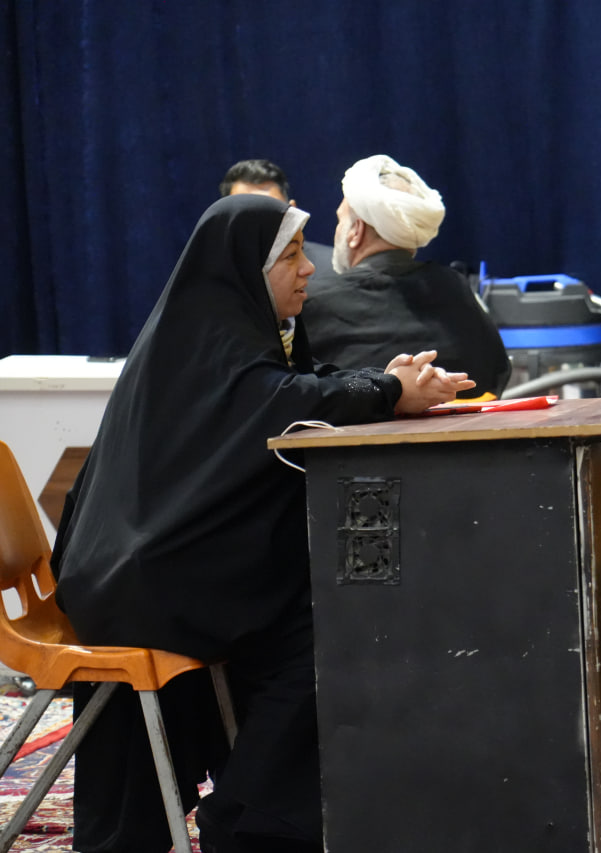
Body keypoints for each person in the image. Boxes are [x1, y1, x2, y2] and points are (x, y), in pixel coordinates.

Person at [50, 193, 473, 853]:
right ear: (245, 268)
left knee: (338, 606)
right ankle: (252, 820)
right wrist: (389, 391)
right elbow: (277, 402)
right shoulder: (206, 341)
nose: (309, 269)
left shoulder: (233, 335)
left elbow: (300, 385)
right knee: (338, 621)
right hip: (144, 580)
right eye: (291, 256)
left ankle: (253, 809)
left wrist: (385, 382)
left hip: (164, 565)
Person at [300, 154, 511, 398]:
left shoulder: (311, 302)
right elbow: (498, 372)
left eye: (340, 220)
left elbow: (301, 390)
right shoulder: (455, 287)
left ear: (356, 231)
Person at [220, 158, 333, 275]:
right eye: (247, 214)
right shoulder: (211, 273)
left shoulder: (332, 270)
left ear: (293, 212)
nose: (261, 224)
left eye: (271, 211)